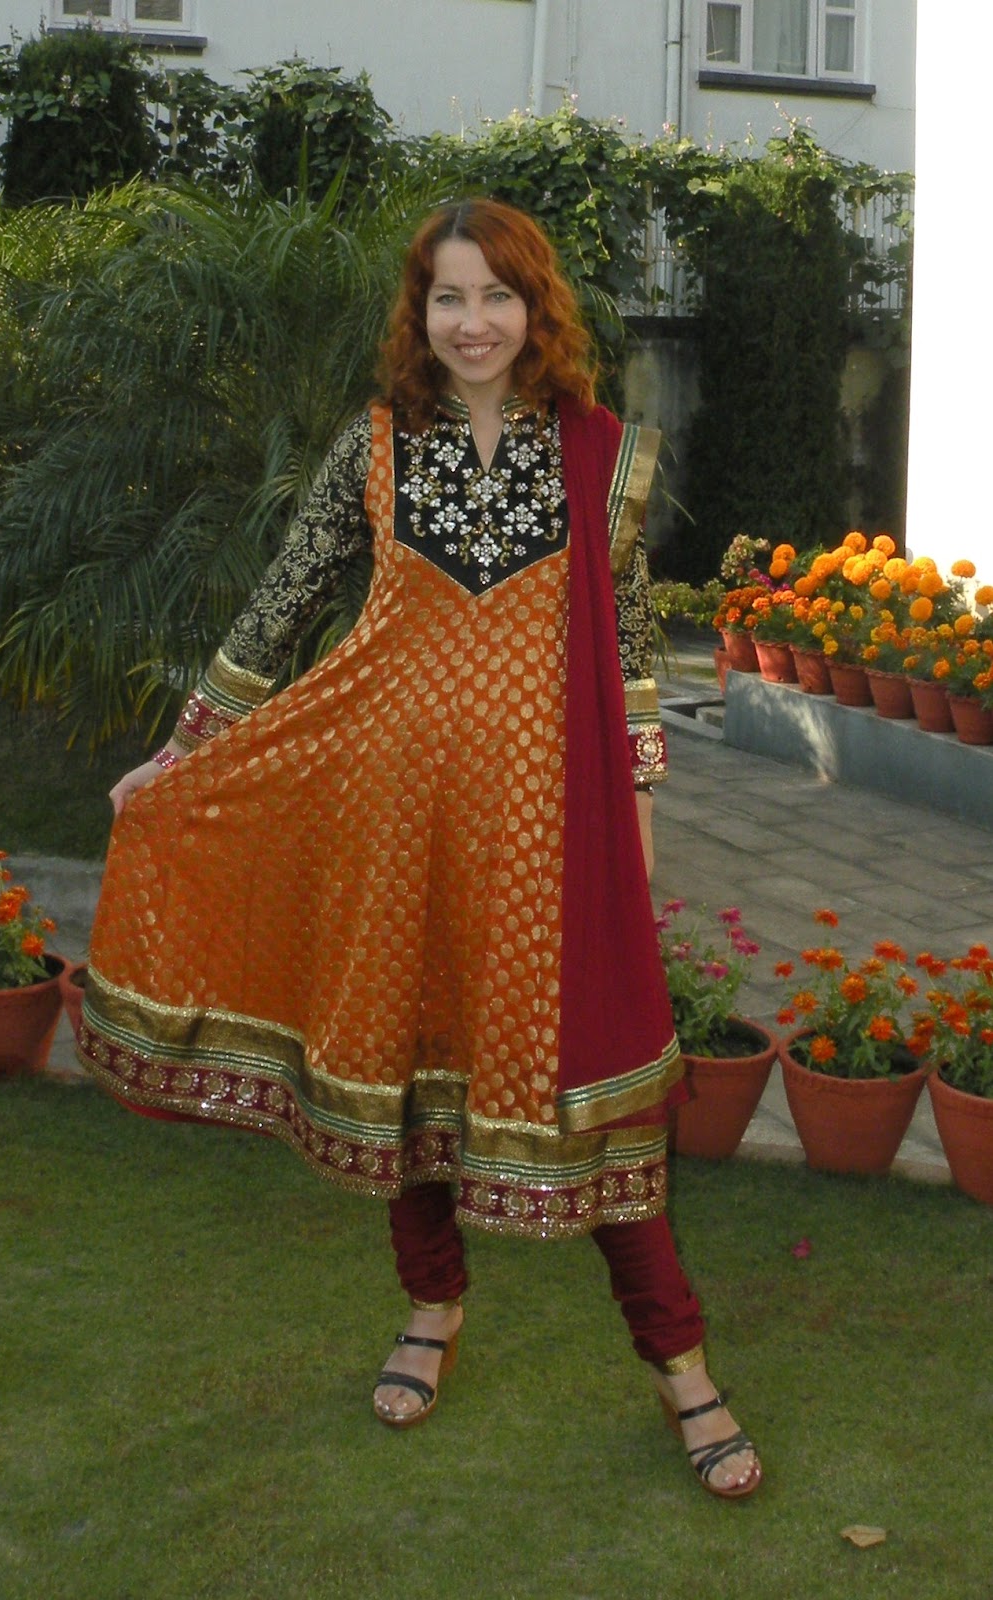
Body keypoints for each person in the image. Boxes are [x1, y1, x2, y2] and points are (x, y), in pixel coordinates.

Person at [83, 198, 761, 1498]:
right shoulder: (376, 444)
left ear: (537, 307)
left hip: (547, 834)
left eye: (497, 295)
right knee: (407, 1079)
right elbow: (283, 605)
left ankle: (684, 1369)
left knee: (605, 1110)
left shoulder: (601, 453)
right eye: (449, 297)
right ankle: (432, 1306)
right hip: (390, 814)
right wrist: (182, 753)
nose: (473, 323)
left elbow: (628, 656)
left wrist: (638, 820)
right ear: (421, 311)